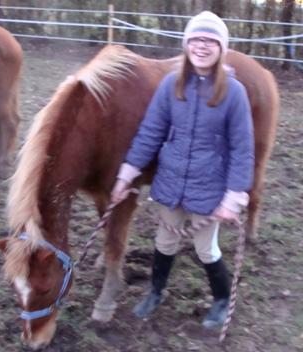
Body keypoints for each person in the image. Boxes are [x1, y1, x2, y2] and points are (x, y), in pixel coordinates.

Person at [111, 11, 254, 328]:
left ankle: (221, 300)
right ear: (187, 44)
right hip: (172, 183)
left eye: (210, 40)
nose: (202, 46)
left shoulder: (234, 92)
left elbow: (244, 149)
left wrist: (233, 197)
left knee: (206, 249)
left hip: (208, 187)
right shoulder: (169, 86)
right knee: (163, 242)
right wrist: (126, 174)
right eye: (196, 39)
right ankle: (156, 292)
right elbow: (150, 132)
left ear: (220, 48)